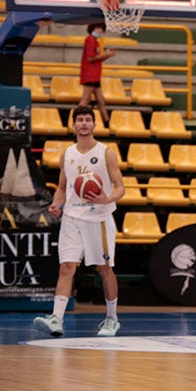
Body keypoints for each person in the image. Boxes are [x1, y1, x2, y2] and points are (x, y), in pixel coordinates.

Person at [33, 105, 125, 337]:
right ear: (73, 125)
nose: (84, 123)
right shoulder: (67, 154)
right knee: (66, 267)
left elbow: (121, 188)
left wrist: (106, 199)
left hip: (99, 218)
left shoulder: (106, 152)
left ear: (94, 124)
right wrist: (57, 204)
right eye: (80, 120)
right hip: (72, 218)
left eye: (87, 120)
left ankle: (112, 318)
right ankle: (56, 319)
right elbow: (62, 187)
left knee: (104, 269)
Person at [78, 22, 115, 126]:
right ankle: (76, 119)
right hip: (90, 74)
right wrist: (106, 54)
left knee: (100, 100)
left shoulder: (95, 41)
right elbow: (90, 58)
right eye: (98, 28)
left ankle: (107, 122)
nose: (100, 31)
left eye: (102, 29)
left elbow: (97, 59)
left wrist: (107, 55)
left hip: (95, 74)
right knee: (86, 99)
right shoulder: (90, 40)